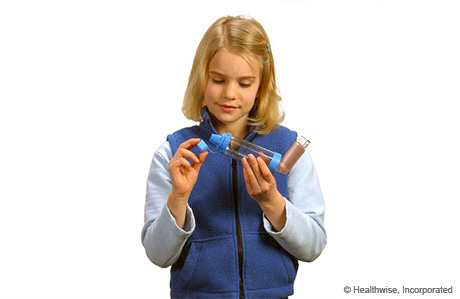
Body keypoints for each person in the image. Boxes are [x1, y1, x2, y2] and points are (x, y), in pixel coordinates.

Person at [141, 15, 326, 298]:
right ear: (201, 78)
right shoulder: (174, 152)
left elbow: (313, 247)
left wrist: (271, 201)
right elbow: (158, 255)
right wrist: (178, 196)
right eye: (218, 79)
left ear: (261, 86)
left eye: (244, 83)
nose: (229, 93)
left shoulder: (288, 150)